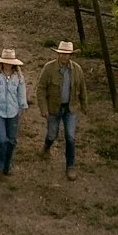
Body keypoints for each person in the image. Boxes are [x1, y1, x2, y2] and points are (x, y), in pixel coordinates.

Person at [38, 41, 87, 180]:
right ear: (58, 54)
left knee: (70, 137)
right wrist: (43, 108)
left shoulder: (77, 69)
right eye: (63, 54)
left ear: (71, 55)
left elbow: (83, 88)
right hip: (54, 108)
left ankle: (70, 166)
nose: (65, 57)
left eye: (68, 54)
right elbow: (41, 89)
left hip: (70, 108)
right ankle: (46, 147)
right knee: (52, 134)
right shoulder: (49, 68)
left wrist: (84, 105)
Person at [0, 49, 28, 176]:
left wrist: (23, 111)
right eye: (6, 62)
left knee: (11, 141)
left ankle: (7, 166)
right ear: (2, 63)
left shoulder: (19, 77)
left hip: (13, 112)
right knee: (2, 139)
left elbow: (21, 95)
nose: (8, 64)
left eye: (10, 62)